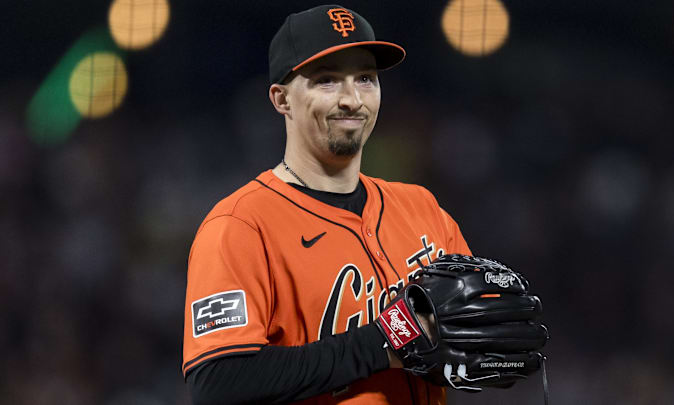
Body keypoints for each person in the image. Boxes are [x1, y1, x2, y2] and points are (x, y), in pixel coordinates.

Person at [183, 5, 472, 404]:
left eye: (366, 79)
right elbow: (217, 382)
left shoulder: (421, 207)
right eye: (327, 81)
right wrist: (384, 343)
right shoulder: (240, 225)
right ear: (281, 99)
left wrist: (489, 356)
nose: (352, 99)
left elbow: (472, 336)